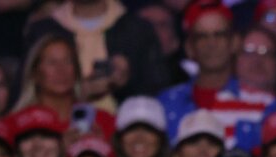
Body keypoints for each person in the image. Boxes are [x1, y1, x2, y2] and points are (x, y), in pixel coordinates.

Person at [157, 0, 276, 150]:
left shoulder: (266, 105)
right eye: (202, 36)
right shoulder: (165, 103)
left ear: (235, 42)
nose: (212, 43)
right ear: (189, 47)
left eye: (219, 35)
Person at [24, 0, 169, 104]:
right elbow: (26, 91)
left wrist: (127, 80)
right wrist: (78, 93)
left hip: (124, 132)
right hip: (57, 130)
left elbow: (157, 91)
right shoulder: (42, 31)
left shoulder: (137, 29)